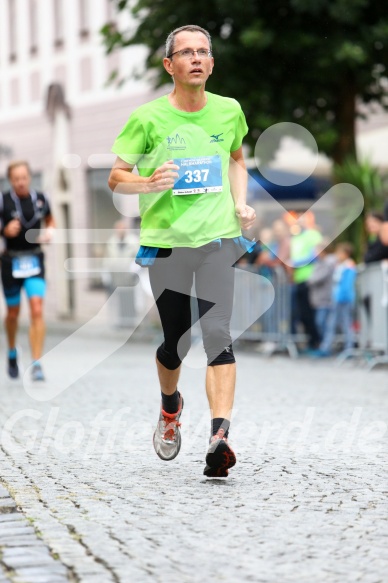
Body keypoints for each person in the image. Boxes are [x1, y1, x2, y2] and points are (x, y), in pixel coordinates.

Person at [108, 25, 255, 477]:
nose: (196, 58)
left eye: (203, 51)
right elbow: (117, 175)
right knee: (177, 341)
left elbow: (236, 159)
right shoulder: (148, 118)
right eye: (185, 52)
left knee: (218, 334)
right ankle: (170, 406)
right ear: (169, 65)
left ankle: (219, 437)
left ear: (211, 63)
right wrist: (147, 183)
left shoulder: (228, 111)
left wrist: (240, 202)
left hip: (216, 241)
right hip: (168, 244)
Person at [0, 161, 55, 381]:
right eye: (16, 179)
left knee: (37, 308)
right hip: (10, 262)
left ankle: (37, 362)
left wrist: (51, 232)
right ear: (10, 180)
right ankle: (12, 351)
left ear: (29, 177)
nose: (20, 182)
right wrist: (5, 230)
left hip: (34, 260)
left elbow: (50, 220)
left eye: (24, 178)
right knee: (13, 313)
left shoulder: (40, 198)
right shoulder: (3, 201)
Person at [312, 242, 356, 357]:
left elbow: (346, 286)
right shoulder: (339, 266)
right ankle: (326, 347)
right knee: (331, 324)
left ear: (346, 254)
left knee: (346, 323)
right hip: (336, 299)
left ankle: (349, 348)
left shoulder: (349, 266)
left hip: (344, 299)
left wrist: (340, 297)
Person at [289, 212, 322, 350]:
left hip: (311, 279)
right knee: (302, 314)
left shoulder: (313, 235)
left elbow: (315, 255)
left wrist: (296, 262)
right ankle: (310, 341)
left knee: (312, 313)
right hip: (298, 280)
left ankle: (316, 342)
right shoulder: (295, 238)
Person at [307, 242, 336, 341]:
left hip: (326, 299)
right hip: (319, 299)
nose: (315, 253)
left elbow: (314, 279)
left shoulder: (328, 263)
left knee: (322, 322)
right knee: (321, 323)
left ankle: (326, 346)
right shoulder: (318, 263)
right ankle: (325, 345)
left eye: (317, 251)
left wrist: (310, 280)